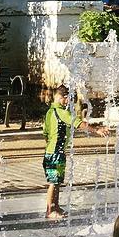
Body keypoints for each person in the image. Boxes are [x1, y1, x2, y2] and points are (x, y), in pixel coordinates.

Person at [43, 84, 80, 220]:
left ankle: (56, 206)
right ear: (61, 97)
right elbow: (77, 122)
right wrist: (97, 129)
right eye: (68, 98)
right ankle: (49, 210)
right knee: (53, 182)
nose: (68, 102)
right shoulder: (60, 112)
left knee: (57, 181)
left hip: (53, 152)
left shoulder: (49, 112)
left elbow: (45, 133)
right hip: (55, 153)